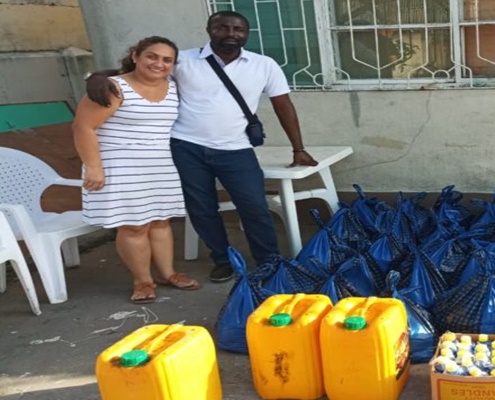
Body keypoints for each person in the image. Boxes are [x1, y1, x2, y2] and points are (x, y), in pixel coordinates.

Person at [87, 11, 319, 283]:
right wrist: (99, 77)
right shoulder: (184, 60)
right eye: (222, 27)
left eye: (238, 29)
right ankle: (222, 260)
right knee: (201, 208)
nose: (231, 33)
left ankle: (268, 261)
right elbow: (142, 73)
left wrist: (298, 148)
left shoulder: (264, 65)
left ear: (247, 33)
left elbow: (283, 106)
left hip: (237, 149)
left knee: (254, 206)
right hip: (187, 148)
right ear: (210, 30)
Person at [73, 36, 200, 304]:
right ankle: (142, 280)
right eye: (152, 56)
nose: (159, 63)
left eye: (167, 60)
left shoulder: (174, 87)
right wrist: (94, 168)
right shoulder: (113, 88)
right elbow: (83, 127)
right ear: (135, 56)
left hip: (160, 165)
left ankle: (168, 273)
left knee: (161, 221)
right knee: (133, 226)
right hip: (119, 167)